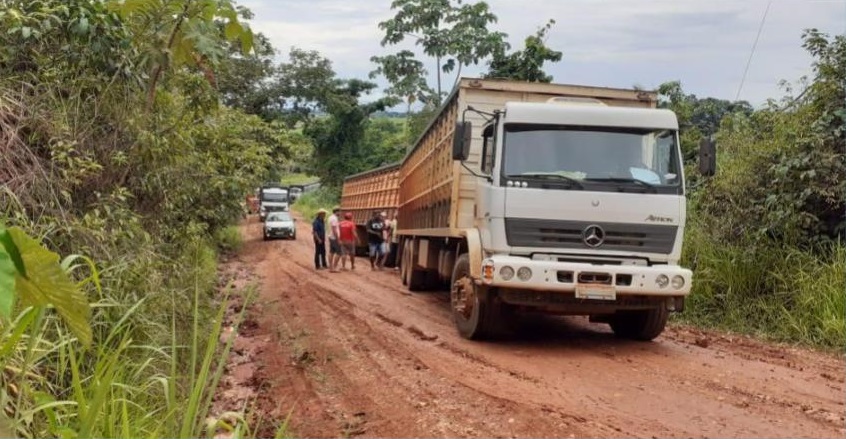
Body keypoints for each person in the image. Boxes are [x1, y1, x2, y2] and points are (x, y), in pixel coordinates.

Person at [327, 206, 341, 273]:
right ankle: (334, 267)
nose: (340, 213)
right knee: (339, 252)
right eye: (339, 211)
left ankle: (330, 267)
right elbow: (334, 229)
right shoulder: (334, 219)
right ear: (337, 211)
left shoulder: (330, 217)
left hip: (331, 236)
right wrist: (338, 238)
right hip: (334, 237)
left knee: (331, 251)